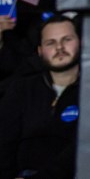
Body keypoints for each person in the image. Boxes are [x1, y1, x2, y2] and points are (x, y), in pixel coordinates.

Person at [0, 14, 80, 179]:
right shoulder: (22, 89)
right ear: (40, 51)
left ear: (81, 42)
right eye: (50, 42)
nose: (59, 47)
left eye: (67, 39)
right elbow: (4, 144)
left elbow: (82, 149)